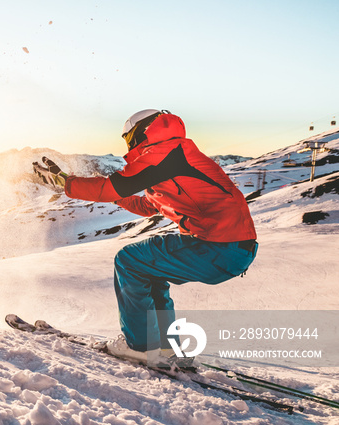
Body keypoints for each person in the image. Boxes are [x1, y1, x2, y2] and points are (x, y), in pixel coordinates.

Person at [33, 109, 257, 366]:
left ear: (142, 132)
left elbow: (113, 186)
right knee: (151, 271)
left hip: (218, 246)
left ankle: (140, 346)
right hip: (229, 248)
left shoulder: (165, 153)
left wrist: (66, 183)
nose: (128, 146)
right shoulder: (174, 157)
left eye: (129, 138)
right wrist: (104, 191)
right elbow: (147, 205)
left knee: (129, 260)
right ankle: (166, 347)